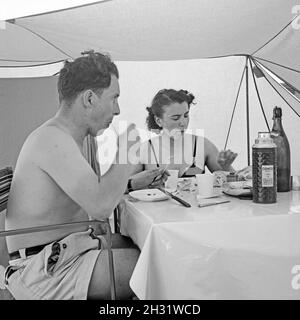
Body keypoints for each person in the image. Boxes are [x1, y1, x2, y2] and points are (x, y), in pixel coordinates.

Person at [4, 51, 151, 300]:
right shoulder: (52, 139)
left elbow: (89, 195)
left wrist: (128, 183)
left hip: (65, 252)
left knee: (145, 245)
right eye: (114, 98)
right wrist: (126, 153)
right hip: (44, 269)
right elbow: (101, 206)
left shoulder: (70, 139)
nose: (118, 109)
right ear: (90, 98)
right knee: (152, 266)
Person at [138, 89, 237, 176]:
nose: (183, 123)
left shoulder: (202, 145)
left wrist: (226, 167)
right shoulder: (144, 150)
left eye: (186, 116)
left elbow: (236, 182)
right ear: (158, 121)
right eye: (176, 118)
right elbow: (125, 187)